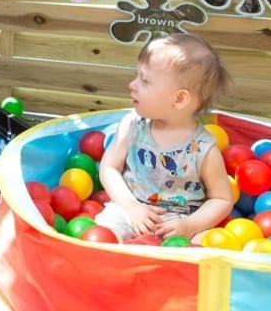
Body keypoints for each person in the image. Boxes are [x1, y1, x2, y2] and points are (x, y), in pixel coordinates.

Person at [95, 33, 235, 242]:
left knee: (204, 245)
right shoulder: (132, 125)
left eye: (144, 80)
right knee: (104, 234)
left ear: (179, 99)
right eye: (136, 75)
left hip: (180, 221)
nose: (132, 85)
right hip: (130, 210)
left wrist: (190, 226)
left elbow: (222, 199)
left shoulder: (203, 149)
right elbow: (109, 168)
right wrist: (131, 206)